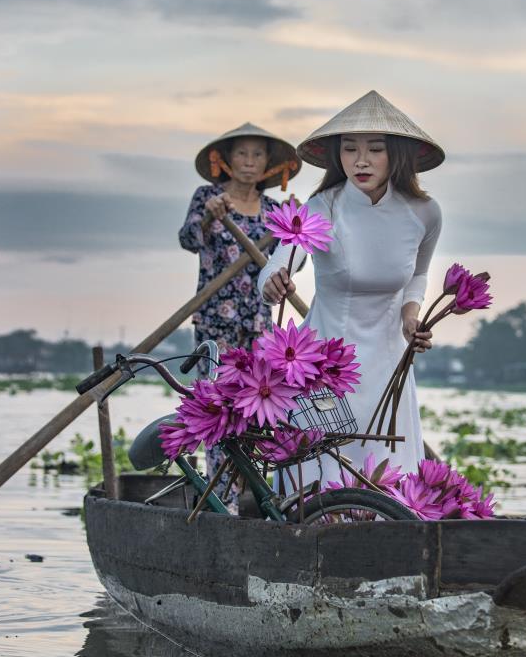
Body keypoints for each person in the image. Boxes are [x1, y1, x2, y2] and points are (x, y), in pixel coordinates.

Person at [258, 90, 444, 485]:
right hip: (324, 359)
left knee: (384, 469)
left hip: (388, 360)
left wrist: (411, 317)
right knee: (317, 476)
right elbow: (283, 257)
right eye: (349, 149)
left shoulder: (424, 213)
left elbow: (418, 276)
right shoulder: (323, 206)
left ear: (398, 154)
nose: (360, 160)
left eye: (375, 149)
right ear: (336, 156)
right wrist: (273, 280)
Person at [179, 122, 301, 500]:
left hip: (258, 321)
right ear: (227, 160)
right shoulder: (208, 197)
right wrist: (210, 217)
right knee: (217, 405)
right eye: (242, 154)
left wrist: (295, 230)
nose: (249, 162)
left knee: (259, 406)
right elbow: (187, 239)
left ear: (268, 164)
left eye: (258, 155)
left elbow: (294, 256)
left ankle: (253, 491)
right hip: (216, 320)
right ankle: (220, 498)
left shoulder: (275, 210)